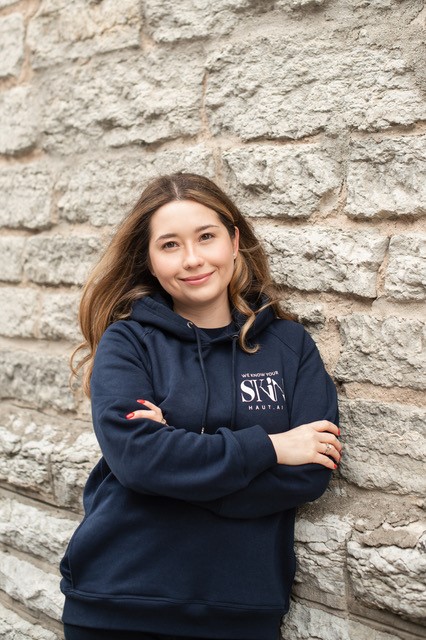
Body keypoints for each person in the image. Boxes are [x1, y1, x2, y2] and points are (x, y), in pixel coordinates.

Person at [60, 173, 341, 640]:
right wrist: (270, 447)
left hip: (241, 610)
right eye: (169, 245)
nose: (192, 259)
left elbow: (311, 470)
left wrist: (175, 462)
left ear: (233, 241)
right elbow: (138, 460)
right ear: (150, 260)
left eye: (206, 237)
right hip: (117, 603)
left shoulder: (289, 346)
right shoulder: (127, 342)